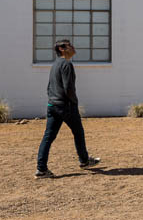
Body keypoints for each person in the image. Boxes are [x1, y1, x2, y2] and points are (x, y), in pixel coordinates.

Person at [35, 39, 100, 178]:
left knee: (48, 137)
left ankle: (41, 170)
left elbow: (49, 87)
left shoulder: (55, 65)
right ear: (62, 49)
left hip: (52, 105)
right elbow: (68, 88)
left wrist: (52, 100)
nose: (73, 47)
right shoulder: (66, 64)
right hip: (65, 106)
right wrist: (73, 102)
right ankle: (84, 161)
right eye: (70, 45)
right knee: (78, 132)